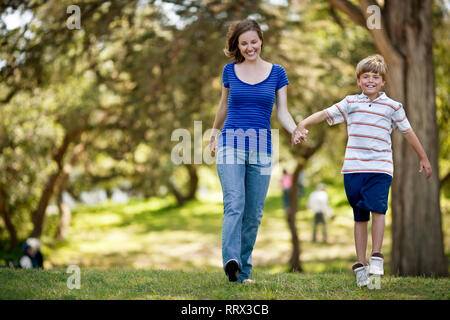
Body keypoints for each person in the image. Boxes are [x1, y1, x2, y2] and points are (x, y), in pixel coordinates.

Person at [292, 54, 432, 287]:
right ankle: (360, 264)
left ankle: (376, 255)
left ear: (383, 82)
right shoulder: (350, 103)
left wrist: (423, 157)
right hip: (353, 169)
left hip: (380, 168)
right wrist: (302, 124)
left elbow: (408, 132)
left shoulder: (393, 106)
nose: (370, 81)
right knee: (360, 215)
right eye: (365, 76)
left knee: (378, 209)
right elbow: (325, 114)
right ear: (358, 80)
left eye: (375, 77)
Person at [209, 19, 305, 283]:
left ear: (261, 41)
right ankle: (231, 260)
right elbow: (223, 107)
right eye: (244, 43)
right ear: (237, 46)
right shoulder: (229, 71)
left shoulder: (277, 73)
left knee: (253, 214)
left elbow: (282, 111)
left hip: (262, 149)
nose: (249, 47)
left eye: (253, 42)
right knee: (235, 203)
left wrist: (294, 129)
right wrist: (213, 135)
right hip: (231, 144)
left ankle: (243, 272)